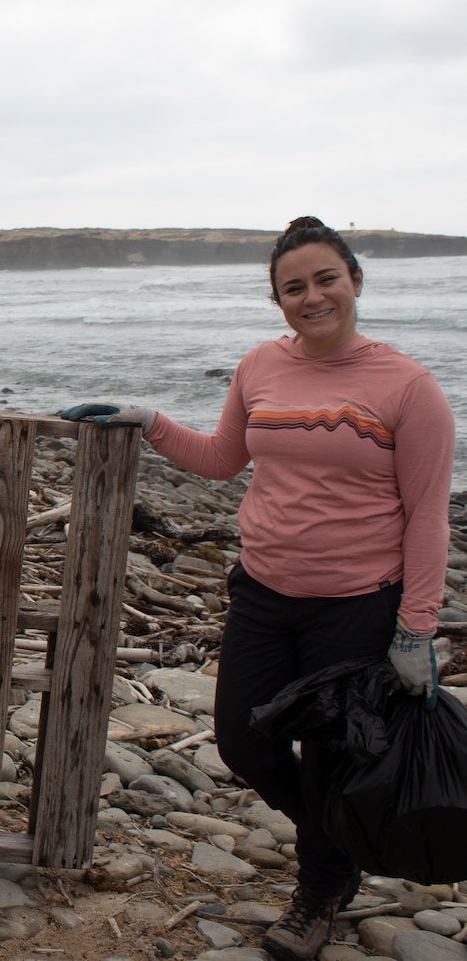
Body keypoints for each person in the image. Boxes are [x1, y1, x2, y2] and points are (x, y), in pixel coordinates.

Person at [63, 216, 455, 961]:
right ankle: (341, 840)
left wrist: (415, 629)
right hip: (264, 594)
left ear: (355, 280)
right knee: (245, 741)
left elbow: (429, 514)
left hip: (358, 606)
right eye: (293, 287)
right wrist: (149, 420)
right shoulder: (260, 367)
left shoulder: (410, 387)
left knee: (332, 755)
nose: (312, 297)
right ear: (277, 300)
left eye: (325, 279)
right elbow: (221, 459)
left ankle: (319, 891)